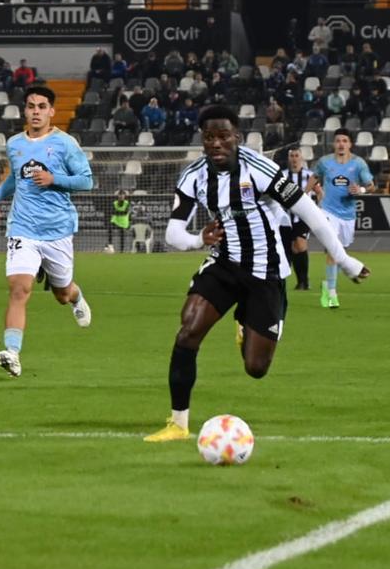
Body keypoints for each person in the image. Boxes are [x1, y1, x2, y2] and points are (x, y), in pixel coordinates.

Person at [144, 105, 369, 442]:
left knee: (256, 368)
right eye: (209, 138)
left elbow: (311, 214)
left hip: (266, 271)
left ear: (236, 137)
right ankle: (178, 423)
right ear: (202, 141)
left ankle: (246, 317)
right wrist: (197, 240)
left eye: (223, 136)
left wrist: (346, 260)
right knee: (188, 330)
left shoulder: (261, 169)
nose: (216, 143)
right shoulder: (193, 176)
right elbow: (172, 233)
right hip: (224, 263)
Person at [0, 85, 94, 378]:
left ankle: (77, 296)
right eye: (31, 106)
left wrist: (55, 179)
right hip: (22, 228)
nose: (36, 112)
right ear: (25, 111)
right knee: (19, 289)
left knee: (62, 294)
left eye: (42, 106)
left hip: (57, 230)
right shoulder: (15, 144)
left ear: (52, 111)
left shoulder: (66, 144)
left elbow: (86, 181)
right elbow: (13, 182)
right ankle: (12, 353)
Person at [311, 129, 375, 310]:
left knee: (341, 251)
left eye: (344, 141)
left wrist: (360, 190)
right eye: (338, 140)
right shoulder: (325, 162)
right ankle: (331, 293)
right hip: (328, 211)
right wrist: (304, 194)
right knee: (333, 250)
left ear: (350, 144)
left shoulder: (358, 163)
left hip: (348, 214)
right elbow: (315, 177)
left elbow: (371, 186)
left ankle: (339, 276)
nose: (341, 144)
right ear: (334, 144)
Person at [281, 148, 314, 290]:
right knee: (293, 249)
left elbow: (319, 192)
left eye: (296, 156)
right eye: (292, 156)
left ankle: (304, 281)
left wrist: (319, 208)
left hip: (303, 217)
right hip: (286, 218)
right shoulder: (282, 175)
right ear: (289, 158)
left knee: (300, 244)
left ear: (301, 158)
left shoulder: (309, 175)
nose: (294, 158)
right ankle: (300, 281)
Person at [107, 189, 130, 254]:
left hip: (123, 221)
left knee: (122, 234)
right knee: (110, 228)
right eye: (120, 194)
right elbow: (113, 212)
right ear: (118, 196)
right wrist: (119, 213)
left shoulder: (127, 203)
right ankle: (110, 245)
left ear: (124, 196)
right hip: (115, 220)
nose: (121, 196)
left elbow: (125, 213)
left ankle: (121, 250)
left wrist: (118, 212)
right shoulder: (114, 203)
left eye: (122, 194)